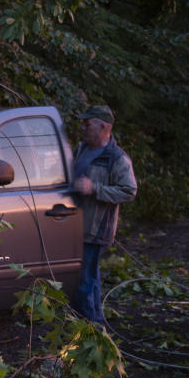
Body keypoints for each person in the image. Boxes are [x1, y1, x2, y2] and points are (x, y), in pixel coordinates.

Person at [70, 104, 137, 324]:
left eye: (87, 123)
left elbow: (129, 191)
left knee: (82, 283)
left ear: (103, 127)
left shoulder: (116, 158)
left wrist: (95, 188)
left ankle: (88, 332)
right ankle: (96, 328)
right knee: (90, 280)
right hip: (76, 226)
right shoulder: (81, 149)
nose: (83, 127)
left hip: (96, 230)